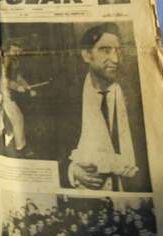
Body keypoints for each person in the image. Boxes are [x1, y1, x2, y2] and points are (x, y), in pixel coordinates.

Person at [59, 24, 150, 192]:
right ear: (87, 55)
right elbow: (52, 150)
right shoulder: (67, 97)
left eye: (118, 51)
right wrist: (72, 171)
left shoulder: (138, 94)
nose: (116, 59)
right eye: (106, 50)